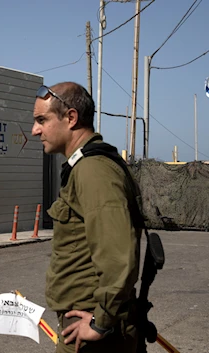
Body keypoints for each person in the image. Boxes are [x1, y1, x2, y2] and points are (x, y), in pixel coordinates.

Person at [31, 82, 143, 353]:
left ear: (70, 118)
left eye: (42, 120)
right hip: (84, 322)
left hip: (94, 334)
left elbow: (118, 254)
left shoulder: (93, 171)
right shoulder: (85, 166)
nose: (35, 130)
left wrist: (100, 322)